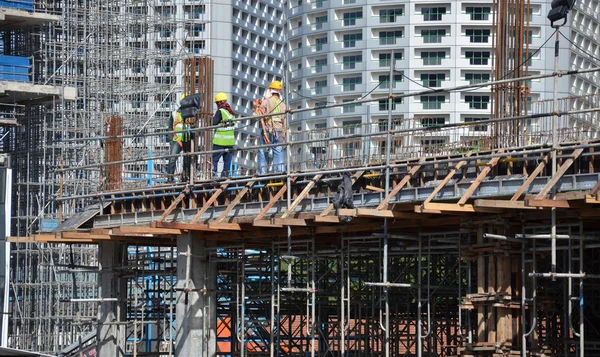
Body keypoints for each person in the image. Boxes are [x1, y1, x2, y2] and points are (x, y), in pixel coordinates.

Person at [256, 80, 287, 174]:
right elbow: (284, 122)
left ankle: (262, 172)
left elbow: (259, 115)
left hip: (268, 129)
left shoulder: (266, 101)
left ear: (271, 91)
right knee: (278, 150)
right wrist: (284, 134)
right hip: (279, 130)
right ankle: (280, 171)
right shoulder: (283, 105)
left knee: (263, 150)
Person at [166, 94, 192, 183]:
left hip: (187, 140)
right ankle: (170, 177)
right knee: (172, 159)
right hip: (176, 140)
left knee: (187, 159)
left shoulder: (191, 114)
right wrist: (171, 139)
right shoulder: (175, 114)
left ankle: (185, 176)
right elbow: (169, 127)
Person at [212, 92, 236, 178]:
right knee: (227, 162)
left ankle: (213, 175)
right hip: (229, 143)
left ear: (219, 103)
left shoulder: (220, 112)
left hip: (220, 142)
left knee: (214, 160)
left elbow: (213, 123)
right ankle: (225, 177)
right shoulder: (231, 113)